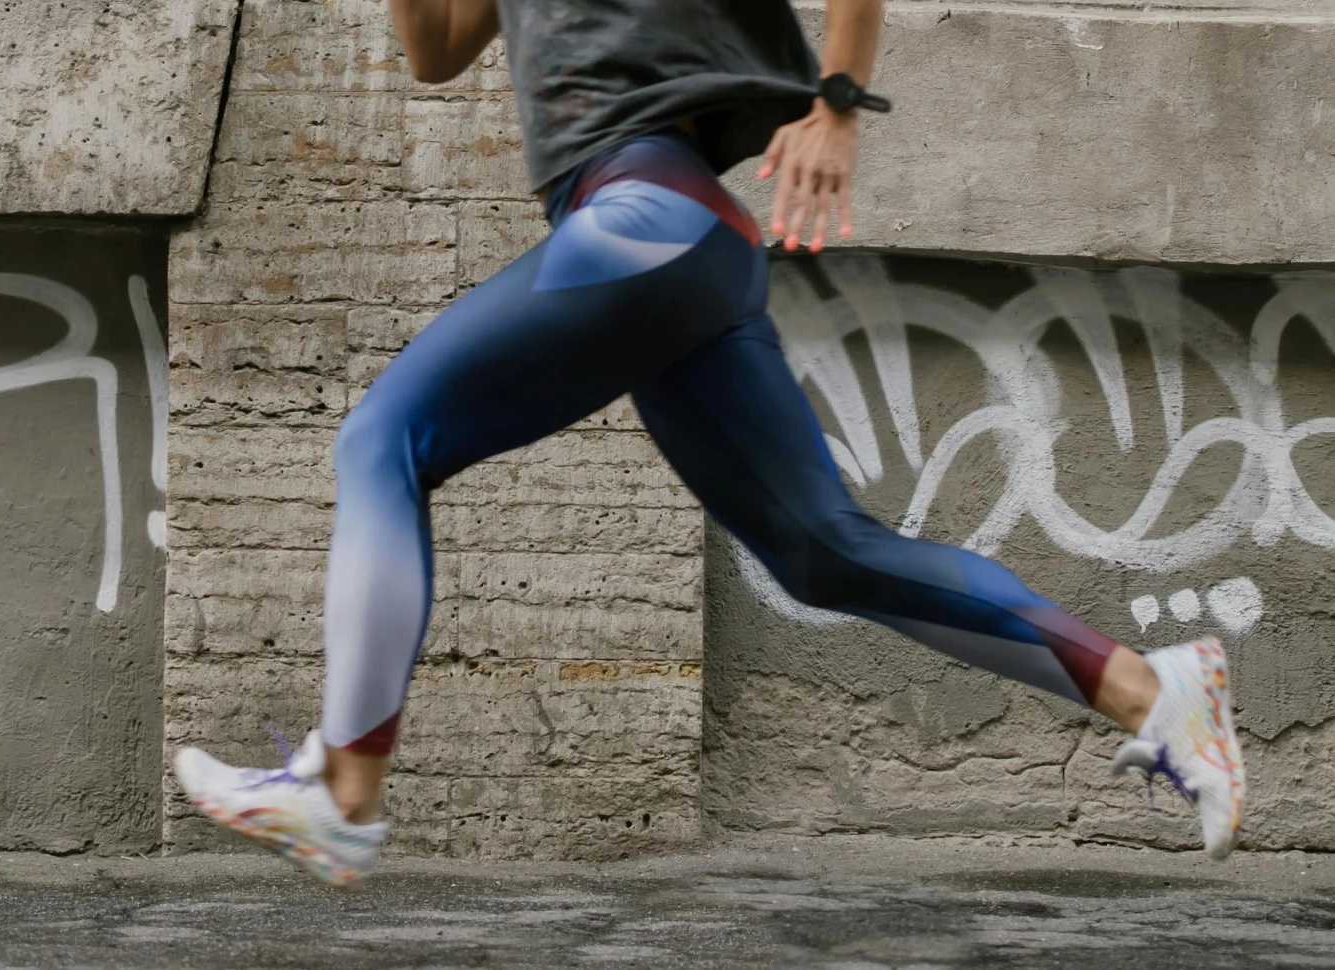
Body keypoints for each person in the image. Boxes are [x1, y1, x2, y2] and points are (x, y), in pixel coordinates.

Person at [174, 0, 1246, 887]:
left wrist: (836, 102)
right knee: (823, 551)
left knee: (383, 438)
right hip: (678, 248)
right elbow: (435, 51)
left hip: (646, 216)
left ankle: (344, 790)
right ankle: (1157, 695)